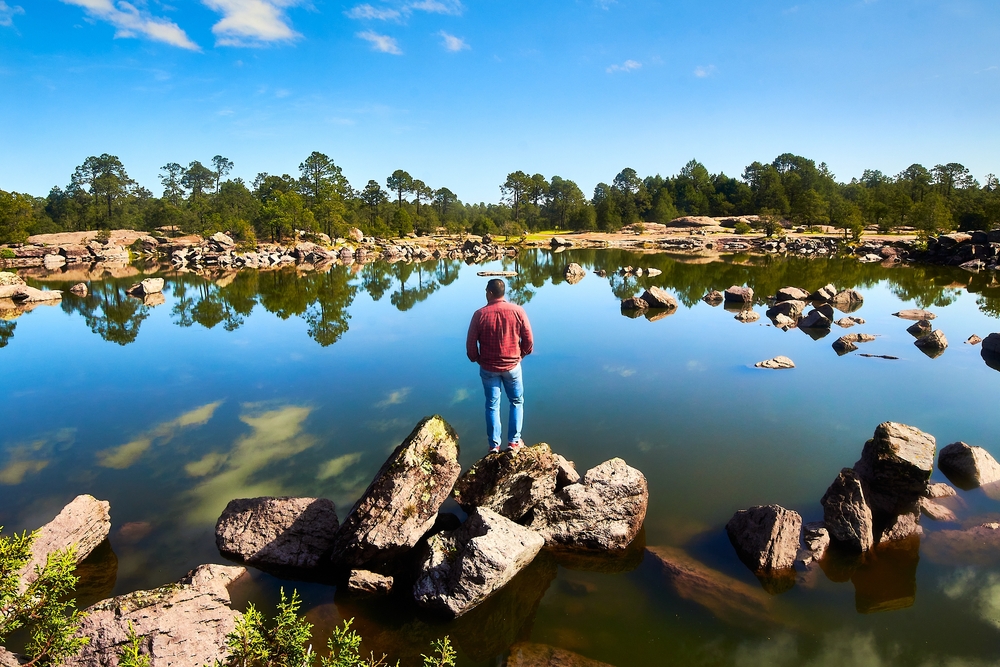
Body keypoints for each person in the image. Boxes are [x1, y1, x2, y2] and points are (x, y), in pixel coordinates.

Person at [466, 278, 534, 454]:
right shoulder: (518, 311)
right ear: (503, 293)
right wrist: (521, 355)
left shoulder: (479, 315)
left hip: (488, 369)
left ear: (489, 293)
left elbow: (471, 345)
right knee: (516, 401)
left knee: (492, 405)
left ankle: (494, 446)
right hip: (512, 367)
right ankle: (514, 442)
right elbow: (529, 341)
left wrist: (477, 359)